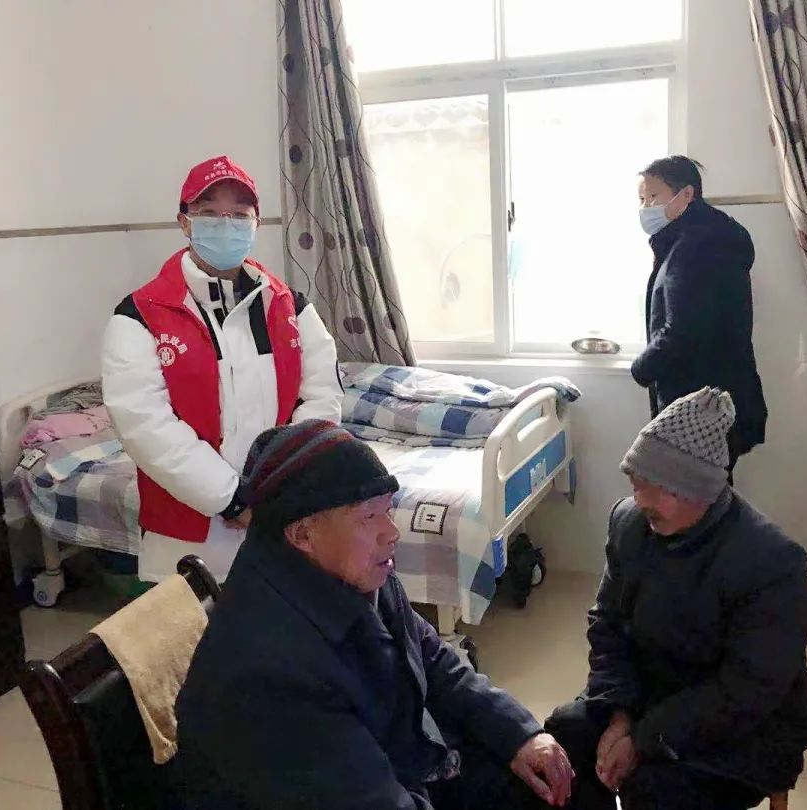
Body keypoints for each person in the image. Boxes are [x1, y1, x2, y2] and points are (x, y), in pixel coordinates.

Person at [173, 420, 575, 809]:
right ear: (302, 534)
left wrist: (517, 732)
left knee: (562, 780)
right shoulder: (270, 676)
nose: (392, 532)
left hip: (399, 761)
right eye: (368, 516)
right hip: (372, 783)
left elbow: (429, 656)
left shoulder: (354, 574)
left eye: (388, 510)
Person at [545, 388, 807, 810]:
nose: (640, 501)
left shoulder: (772, 563)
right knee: (565, 738)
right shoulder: (629, 524)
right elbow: (607, 624)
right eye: (636, 483)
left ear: (698, 489)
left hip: (747, 724)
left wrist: (644, 738)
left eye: (654, 488)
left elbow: (747, 690)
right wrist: (620, 714)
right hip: (650, 690)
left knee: (655, 788)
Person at [102, 156, 342, 584]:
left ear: (256, 223)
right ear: (184, 222)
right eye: (209, 213)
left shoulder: (292, 308)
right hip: (188, 528)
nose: (225, 225)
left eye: (239, 215)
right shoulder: (139, 316)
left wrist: (282, 484)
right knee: (193, 625)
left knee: (279, 621)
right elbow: (144, 425)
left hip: (278, 512)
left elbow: (321, 398)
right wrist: (232, 499)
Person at [631, 156, 768, 478]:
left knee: (694, 494)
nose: (646, 207)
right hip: (713, 396)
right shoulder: (699, 239)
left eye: (654, 196)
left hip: (699, 403)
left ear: (686, 194)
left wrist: (642, 368)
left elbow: (683, 329)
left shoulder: (697, 247)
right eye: (642, 199)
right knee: (706, 490)